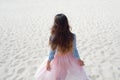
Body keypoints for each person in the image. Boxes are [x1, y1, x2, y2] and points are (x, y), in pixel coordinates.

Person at [34, 13, 89, 80]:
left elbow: (52, 52)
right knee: (70, 74)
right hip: (70, 59)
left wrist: (49, 62)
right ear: (66, 24)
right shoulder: (72, 36)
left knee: (58, 76)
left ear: (55, 24)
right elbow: (74, 50)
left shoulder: (53, 37)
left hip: (57, 60)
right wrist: (78, 59)